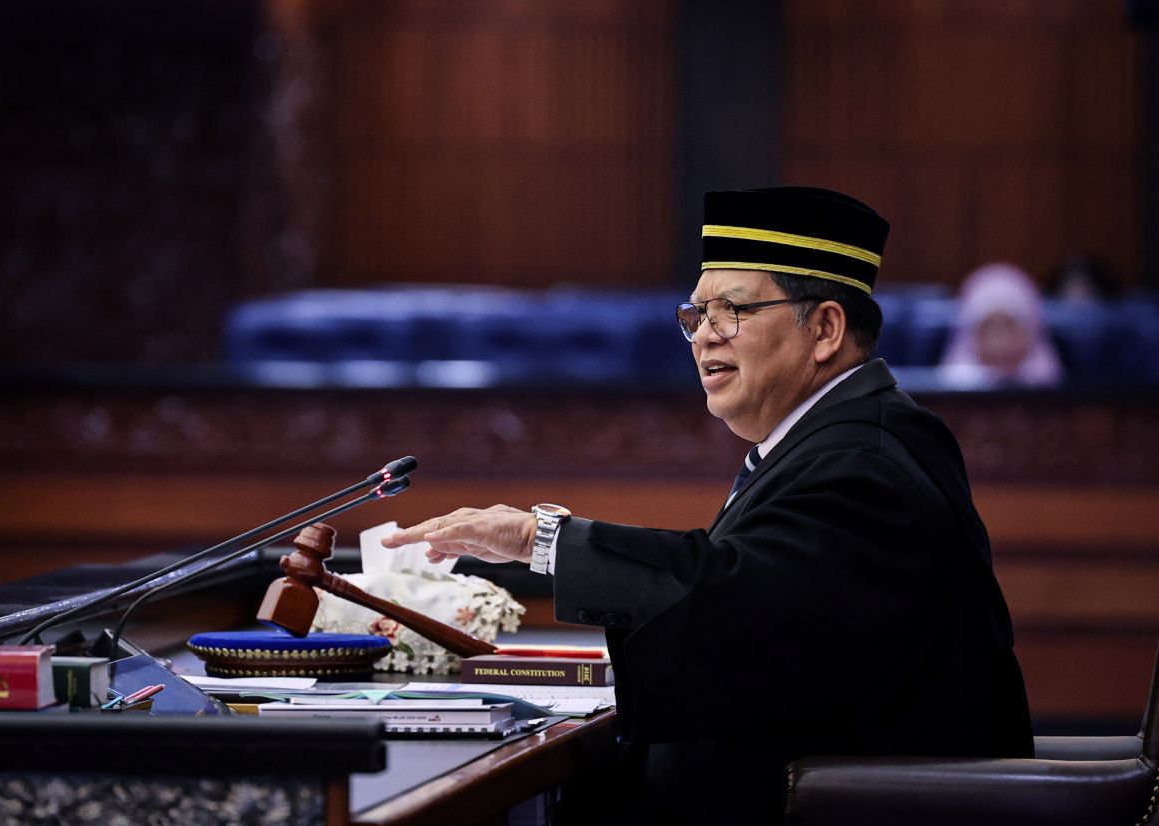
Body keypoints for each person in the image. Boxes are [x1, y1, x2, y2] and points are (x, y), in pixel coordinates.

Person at [383, 187, 1033, 824]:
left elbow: (735, 599)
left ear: (825, 329)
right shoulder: (833, 440)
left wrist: (541, 540)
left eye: (733, 312)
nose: (703, 338)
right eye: (696, 315)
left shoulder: (867, 463)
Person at [939, 262, 1064, 387]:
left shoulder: (1053, 386)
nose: (999, 343)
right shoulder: (950, 389)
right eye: (987, 329)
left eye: (1010, 327)